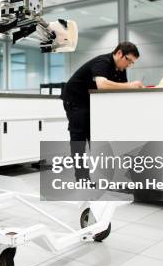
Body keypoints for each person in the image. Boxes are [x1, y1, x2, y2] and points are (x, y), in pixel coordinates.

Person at [61, 42, 143, 180]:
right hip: (76, 101)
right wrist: (130, 85)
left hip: (91, 103)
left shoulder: (121, 69)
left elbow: (121, 89)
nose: (129, 65)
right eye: (128, 60)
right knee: (79, 139)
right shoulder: (103, 62)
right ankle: (82, 179)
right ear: (119, 53)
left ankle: (103, 176)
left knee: (97, 139)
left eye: (132, 63)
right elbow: (102, 85)